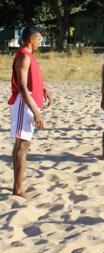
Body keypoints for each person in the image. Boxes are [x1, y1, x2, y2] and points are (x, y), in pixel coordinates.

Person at [8, 26, 51, 199]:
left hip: (30, 102)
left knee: (24, 144)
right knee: (22, 144)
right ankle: (17, 188)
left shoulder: (30, 56)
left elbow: (31, 82)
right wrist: (36, 112)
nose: (40, 42)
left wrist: (43, 89)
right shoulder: (23, 57)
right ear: (31, 39)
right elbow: (23, 87)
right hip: (23, 104)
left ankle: (18, 185)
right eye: (39, 39)